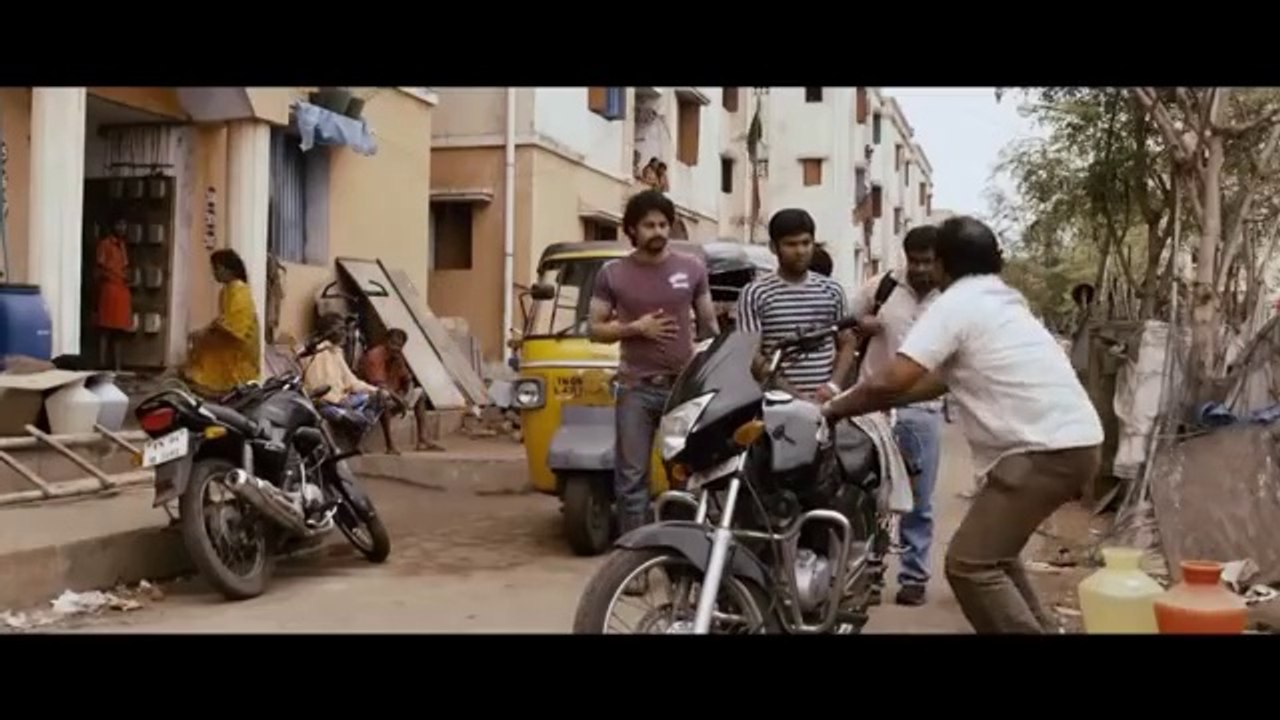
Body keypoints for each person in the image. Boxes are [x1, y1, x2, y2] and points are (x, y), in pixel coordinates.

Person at [819, 216, 1104, 634]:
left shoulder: (955, 303)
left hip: (1041, 452)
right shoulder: (1004, 299)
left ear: (942, 264)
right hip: (1076, 443)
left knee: (970, 566)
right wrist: (858, 403)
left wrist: (832, 409)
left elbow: (894, 377)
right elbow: (935, 382)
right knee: (997, 557)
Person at [588, 189, 718, 535]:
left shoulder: (692, 269)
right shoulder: (612, 273)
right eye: (649, 225)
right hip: (636, 389)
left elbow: (709, 327)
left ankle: (684, 553)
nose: (658, 231)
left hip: (683, 390)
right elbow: (594, 330)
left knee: (685, 475)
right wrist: (635, 328)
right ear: (632, 229)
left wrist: (706, 359)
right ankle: (636, 554)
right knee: (632, 480)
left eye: (663, 224)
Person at [848, 225, 942, 607]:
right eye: (914, 260)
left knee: (919, 500)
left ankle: (914, 577)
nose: (920, 269)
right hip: (873, 410)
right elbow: (846, 328)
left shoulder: (950, 298)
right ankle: (868, 574)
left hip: (923, 409)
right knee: (868, 495)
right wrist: (861, 327)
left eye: (928, 261)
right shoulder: (881, 288)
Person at [736, 209, 854, 402]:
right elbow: (752, 356)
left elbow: (847, 341)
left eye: (806, 243)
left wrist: (833, 386)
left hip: (826, 403)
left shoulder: (832, 290)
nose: (800, 251)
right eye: (791, 244)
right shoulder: (755, 293)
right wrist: (795, 396)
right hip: (777, 403)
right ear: (774, 247)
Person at [184, 249, 262, 395]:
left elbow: (236, 326)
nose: (214, 273)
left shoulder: (239, 289)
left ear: (228, 269)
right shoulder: (226, 291)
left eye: (217, 268)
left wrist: (206, 333)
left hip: (238, 349)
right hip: (229, 340)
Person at [358, 327, 445, 454]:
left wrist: (407, 395)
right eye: (393, 343)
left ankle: (423, 440)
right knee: (383, 398)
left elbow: (408, 379)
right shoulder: (374, 356)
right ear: (386, 341)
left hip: (395, 396)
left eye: (399, 345)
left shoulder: (397, 356)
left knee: (420, 394)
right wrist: (400, 400)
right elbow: (379, 386)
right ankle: (390, 446)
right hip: (372, 397)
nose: (396, 348)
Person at [304, 315, 388, 440]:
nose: (346, 334)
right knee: (353, 418)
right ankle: (359, 423)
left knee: (378, 397)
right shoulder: (316, 352)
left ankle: (359, 422)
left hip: (343, 401)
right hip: (326, 405)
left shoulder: (336, 352)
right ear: (330, 331)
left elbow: (351, 382)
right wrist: (339, 402)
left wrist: (376, 391)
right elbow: (317, 390)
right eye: (341, 329)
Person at [96, 218, 132, 371]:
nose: (122, 228)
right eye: (119, 224)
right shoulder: (105, 244)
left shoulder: (122, 245)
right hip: (109, 290)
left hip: (121, 290)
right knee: (105, 330)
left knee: (119, 331)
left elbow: (125, 266)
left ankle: (118, 367)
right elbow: (100, 267)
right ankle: (101, 365)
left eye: (124, 224)